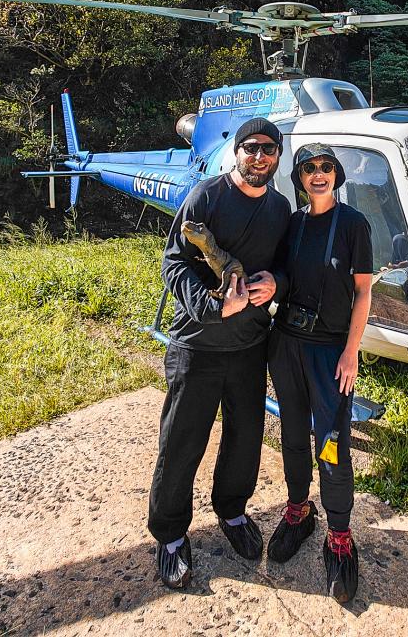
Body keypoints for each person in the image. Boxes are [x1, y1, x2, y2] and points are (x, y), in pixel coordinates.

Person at [148, 117, 291, 590]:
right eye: (251, 147)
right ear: (236, 151)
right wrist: (211, 305)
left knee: (246, 439)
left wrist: (276, 284)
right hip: (198, 345)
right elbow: (173, 263)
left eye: (269, 149)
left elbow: (284, 268)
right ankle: (169, 535)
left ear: (278, 156)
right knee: (183, 441)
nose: (259, 156)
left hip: (249, 346)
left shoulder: (279, 208)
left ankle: (231, 512)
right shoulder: (206, 197)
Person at [266, 144, 373, 604]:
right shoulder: (292, 224)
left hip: (330, 353)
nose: (318, 175)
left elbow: (364, 294)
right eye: (309, 168)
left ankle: (340, 535)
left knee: (331, 442)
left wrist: (351, 352)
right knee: (292, 432)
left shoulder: (353, 225)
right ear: (299, 177)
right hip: (286, 345)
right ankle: (298, 510)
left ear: (337, 175)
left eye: (326, 167)